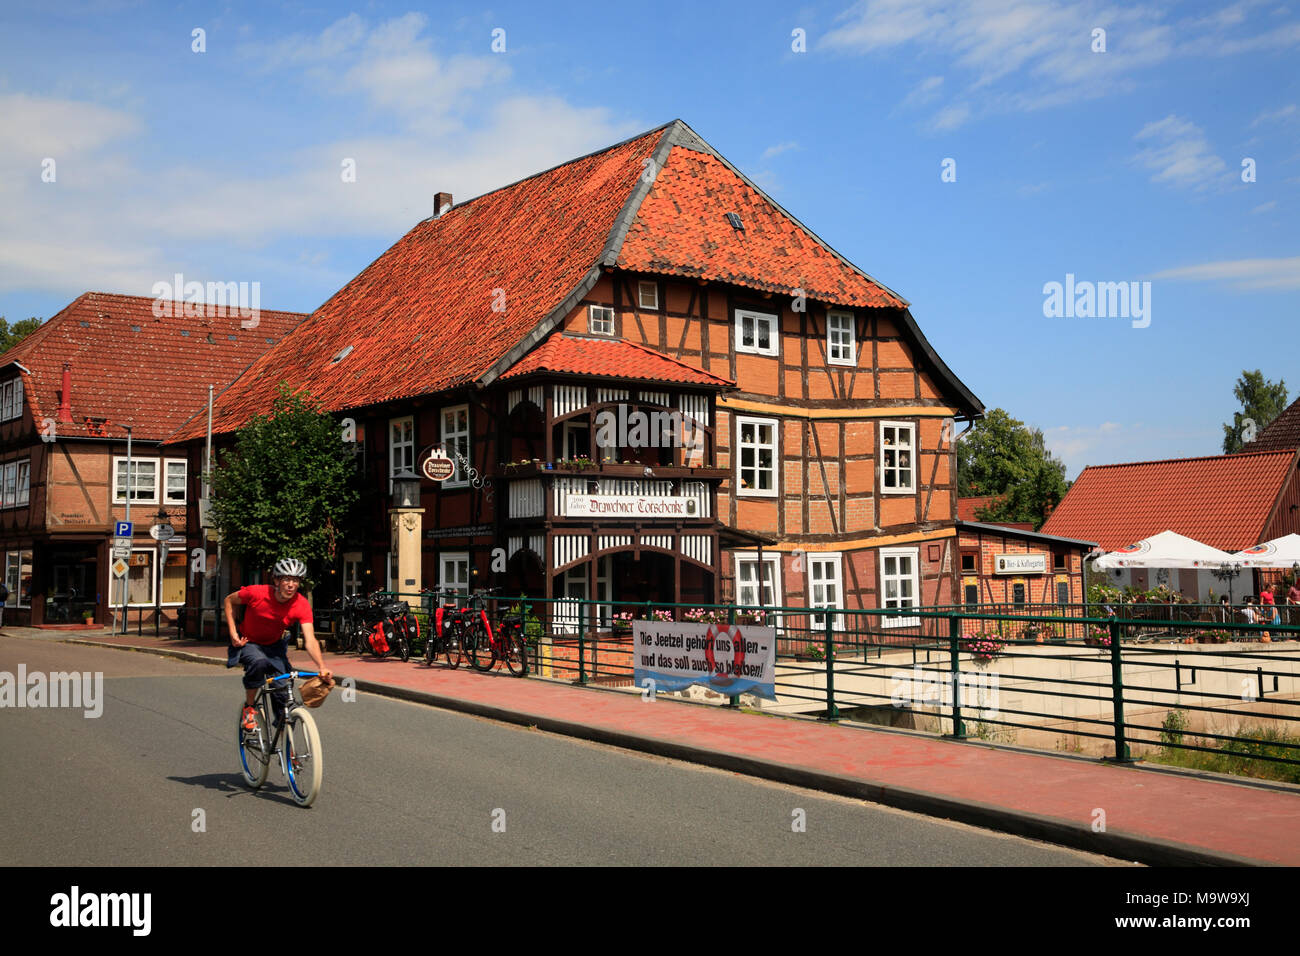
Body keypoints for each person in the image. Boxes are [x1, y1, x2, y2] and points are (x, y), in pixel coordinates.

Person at [224, 557, 329, 732]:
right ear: (276, 580)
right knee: (258, 663)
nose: (290, 585)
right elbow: (229, 600)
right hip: (249, 641)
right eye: (286, 579)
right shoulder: (256, 593)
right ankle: (249, 709)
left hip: (275, 647)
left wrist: (322, 666)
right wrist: (233, 632)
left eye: (295, 580)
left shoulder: (301, 604)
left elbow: (310, 639)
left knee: (284, 695)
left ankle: (287, 748)